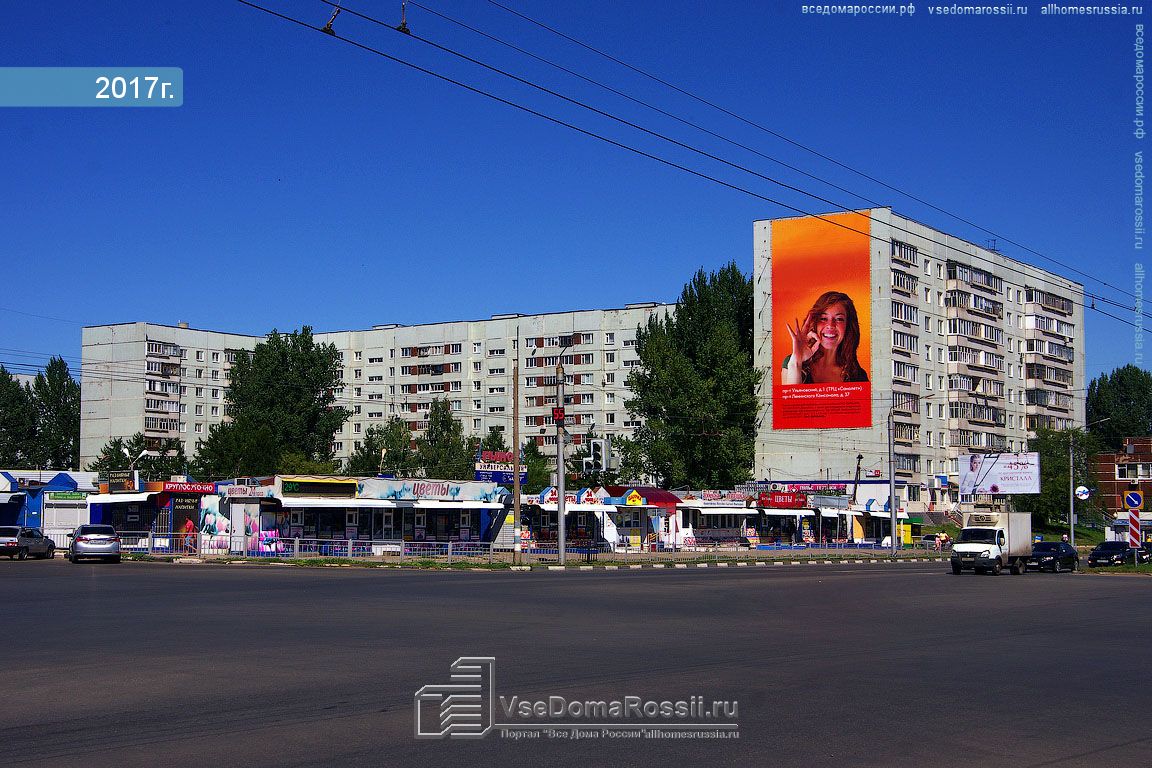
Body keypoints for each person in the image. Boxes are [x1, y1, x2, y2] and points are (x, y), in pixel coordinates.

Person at [782, 291, 869, 384]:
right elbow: (791, 398)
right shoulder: (791, 362)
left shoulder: (857, 375)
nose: (830, 325)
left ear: (848, 326)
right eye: (823, 318)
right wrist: (796, 362)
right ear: (814, 323)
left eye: (839, 319)